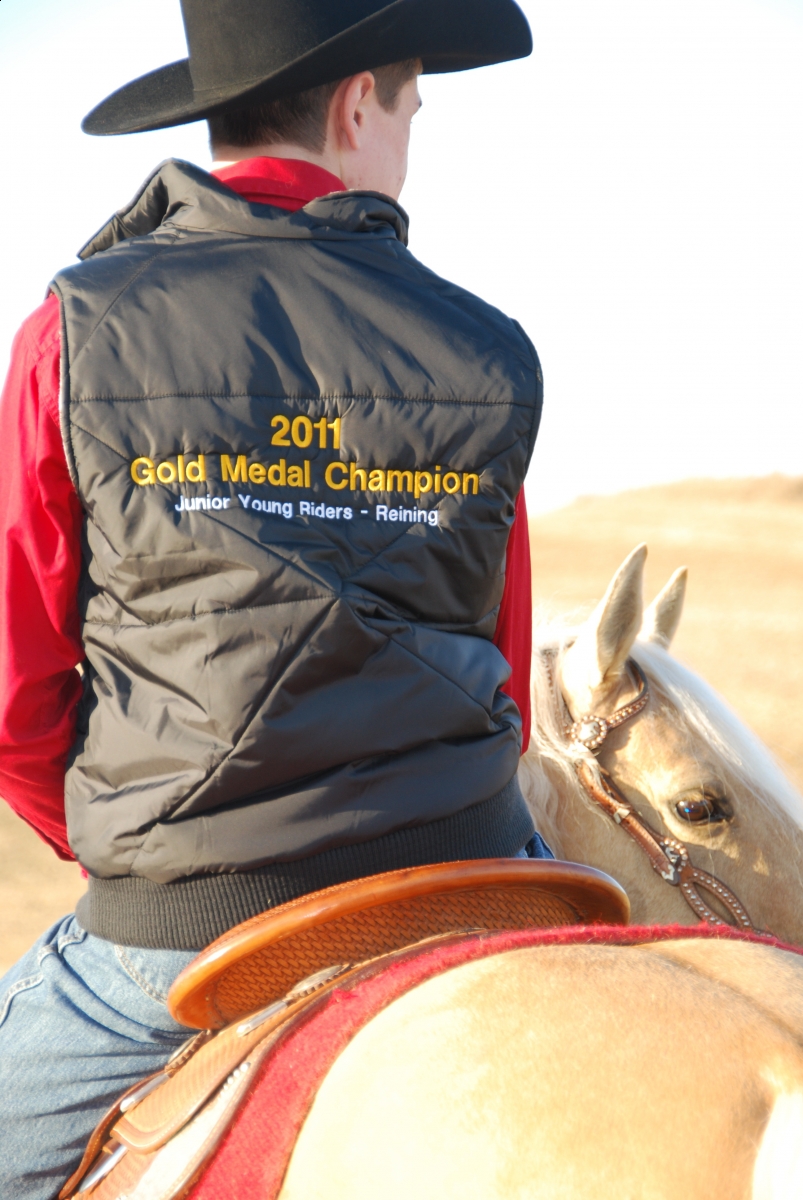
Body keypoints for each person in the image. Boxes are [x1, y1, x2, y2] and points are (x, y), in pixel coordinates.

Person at [0, 0, 547, 1193]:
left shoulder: (72, 332)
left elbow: (14, 699)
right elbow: (500, 672)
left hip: (190, 924)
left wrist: (144, 852)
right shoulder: (486, 351)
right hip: (474, 873)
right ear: (356, 105)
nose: (409, 144)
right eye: (412, 110)